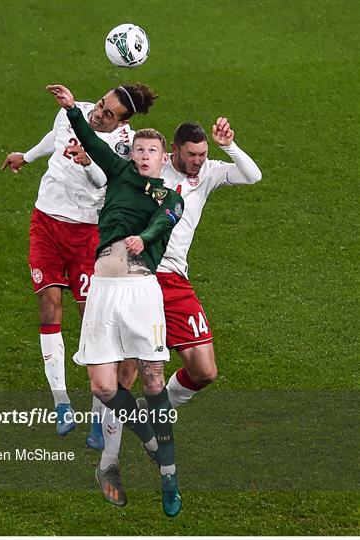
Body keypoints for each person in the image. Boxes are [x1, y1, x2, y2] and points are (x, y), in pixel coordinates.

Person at [90, 119, 262, 470]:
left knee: (205, 371)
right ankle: (108, 450)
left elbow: (252, 175)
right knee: (125, 369)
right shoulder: (151, 168)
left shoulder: (210, 172)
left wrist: (228, 145)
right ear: (174, 152)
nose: (198, 161)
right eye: (191, 155)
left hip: (177, 281)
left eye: (202, 154)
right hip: (140, 274)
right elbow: (110, 172)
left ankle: (153, 410)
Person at [47, 83, 185, 518]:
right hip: (104, 291)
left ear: (165, 160)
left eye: (152, 152)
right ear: (132, 153)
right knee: (104, 386)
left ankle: (169, 476)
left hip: (142, 293)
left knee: (152, 383)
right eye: (139, 150)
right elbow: (90, 140)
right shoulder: (120, 172)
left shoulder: (170, 196)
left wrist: (141, 240)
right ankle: (148, 438)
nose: (144, 156)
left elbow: (162, 225)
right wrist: (71, 110)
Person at [1, 83, 157, 436]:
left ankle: (100, 418)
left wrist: (88, 162)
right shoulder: (72, 110)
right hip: (46, 223)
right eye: (101, 105)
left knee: (94, 323)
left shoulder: (121, 145)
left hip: (87, 234)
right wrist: (26, 156)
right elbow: (55, 135)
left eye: (108, 114)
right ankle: (61, 403)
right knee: (48, 308)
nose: (98, 113)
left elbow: (104, 182)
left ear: (122, 122)